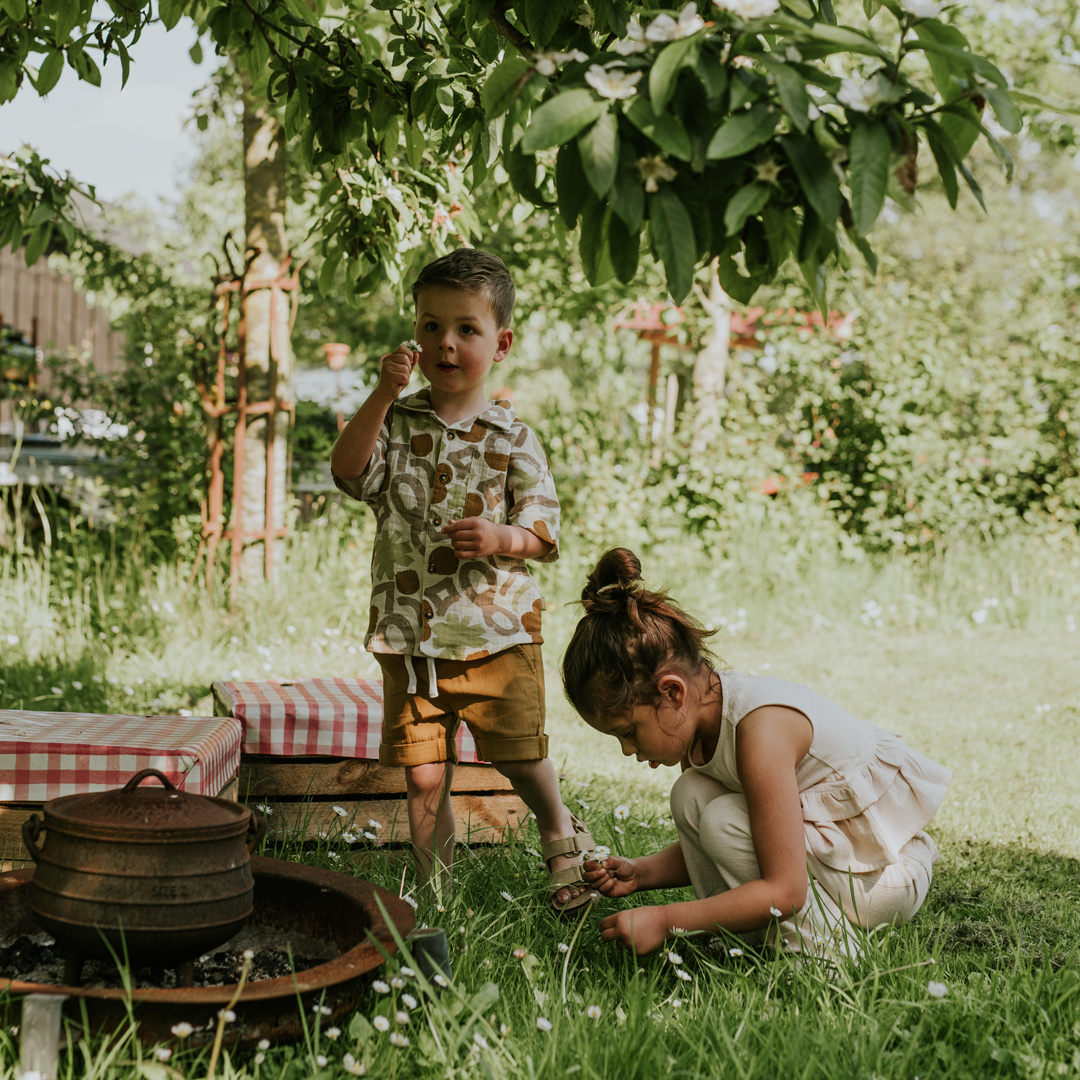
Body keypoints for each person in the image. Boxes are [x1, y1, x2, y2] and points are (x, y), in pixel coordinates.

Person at [330, 248, 594, 913]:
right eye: (430, 326)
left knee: (519, 756)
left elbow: (542, 534)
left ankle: (558, 832)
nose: (445, 342)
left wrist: (501, 538)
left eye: (466, 329)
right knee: (424, 777)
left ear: (500, 344)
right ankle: (434, 898)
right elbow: (349, 471)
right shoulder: (395, 423)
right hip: (409, 637)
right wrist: (382, 393)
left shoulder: (513, 437)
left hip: (495, 634)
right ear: (414, 337)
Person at [561, 547, 953, 957]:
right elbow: (754, 840)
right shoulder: (699, 728)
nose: (627, 750)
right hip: (838, 863)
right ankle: (751, 943)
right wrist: (642, 873)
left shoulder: (760, 731)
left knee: (723, 819)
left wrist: (665, 920)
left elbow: (784, 888)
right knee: (691, 795)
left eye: (628, 731)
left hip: (883, 876)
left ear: (672, 692)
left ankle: (832, 956)